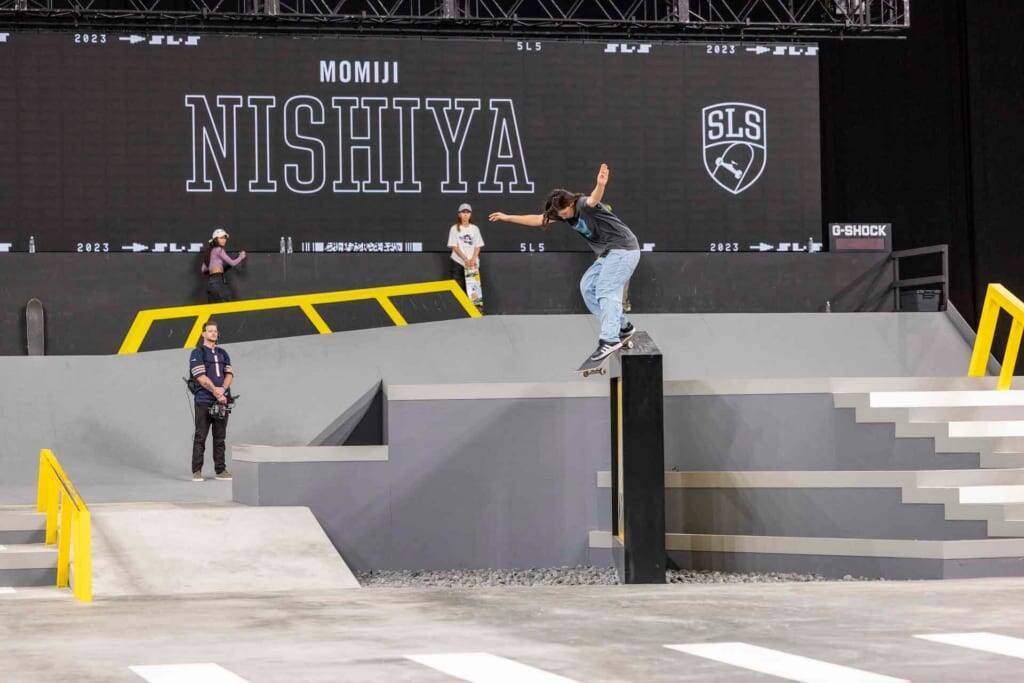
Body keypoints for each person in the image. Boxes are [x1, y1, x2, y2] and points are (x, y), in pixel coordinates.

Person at [489, 163, 640, 362]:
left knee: (605, 289)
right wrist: (508, 217)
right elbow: (538, 219)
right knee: (587, 287)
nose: (562, 216)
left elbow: (594, 199)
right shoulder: (564, 214)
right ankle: (623, 326)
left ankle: (610, 339)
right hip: (608, 254)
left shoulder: (582, 204)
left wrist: (600, 184)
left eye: (563, 212)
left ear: (570, 204)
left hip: (624, 250)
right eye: (559, 214)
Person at [188, 320, 234, 481]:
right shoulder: (197, 353)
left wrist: (223, 390)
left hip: (222, 401)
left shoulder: (223, 353)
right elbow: (200, 377)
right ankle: (196, 471)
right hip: (204, 400)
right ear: (203, 334)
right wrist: (216, 391)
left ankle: (220, 471)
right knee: (200, 436)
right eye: (210, 331)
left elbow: (229, 374)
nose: (213, 333)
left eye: (215, 331)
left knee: (220, 438)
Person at [201, 228, 246, 303]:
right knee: (227, 306)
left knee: (213, 308)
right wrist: (241, 256)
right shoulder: (219, 249)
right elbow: (232, 263)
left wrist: (216, 266)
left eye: (225, 238)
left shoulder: (209, 252)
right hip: (218, 281)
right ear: (216, 239)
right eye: (221, 238)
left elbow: (203, 269)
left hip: (211, 284)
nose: (224, 240)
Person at [446, 203, 484, 290]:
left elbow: (478, 246)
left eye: (468, 212)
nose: (465, 214)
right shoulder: (454, 228)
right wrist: (465, 259)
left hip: (472, 264)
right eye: (463, 212)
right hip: (458, 262)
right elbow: (454, 246)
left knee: (473, 292)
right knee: (457, 289)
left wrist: (473, 259)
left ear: (470, 215)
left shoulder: (475, 228)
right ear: (459, 214)